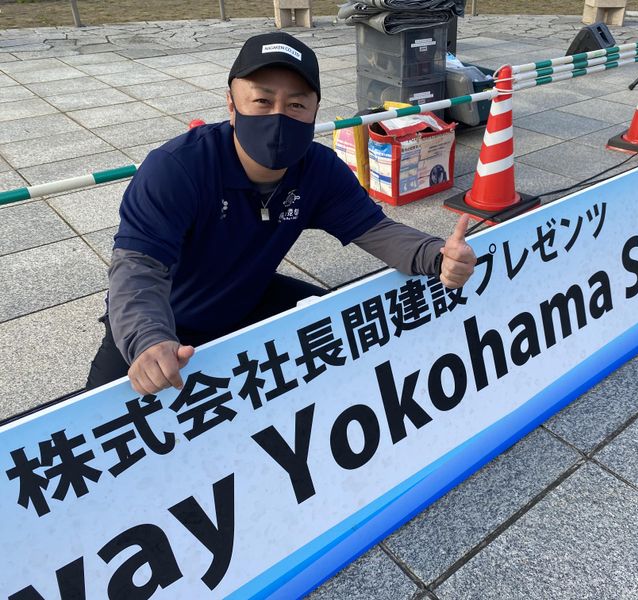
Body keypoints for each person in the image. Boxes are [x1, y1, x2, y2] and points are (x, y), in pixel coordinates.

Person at [86, 31, 477, 396]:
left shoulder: (318, 170)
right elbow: (137, 266)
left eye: (296, 105)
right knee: (95, 422)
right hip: (164, 316)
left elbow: (376, 229)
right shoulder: (177, 168)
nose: (278, 116)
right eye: (262, 101)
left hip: (248, 296)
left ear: (315, 110)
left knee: (343, 330)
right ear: (232, 104)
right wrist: (147, 338)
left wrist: (438, 256)